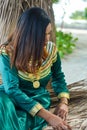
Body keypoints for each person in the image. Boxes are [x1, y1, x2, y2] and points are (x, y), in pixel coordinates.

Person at [0, 7, 71, 130]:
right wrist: (50, 117)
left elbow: (58, 77)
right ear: (28, 34)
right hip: (11, 98)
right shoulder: (8, 52)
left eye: (48, 33)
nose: (47, 39)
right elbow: (11, 89)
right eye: (42, 35)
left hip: (38, 102)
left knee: (18, 120)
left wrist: (63, 102)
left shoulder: (51, 50)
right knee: (2, 103)